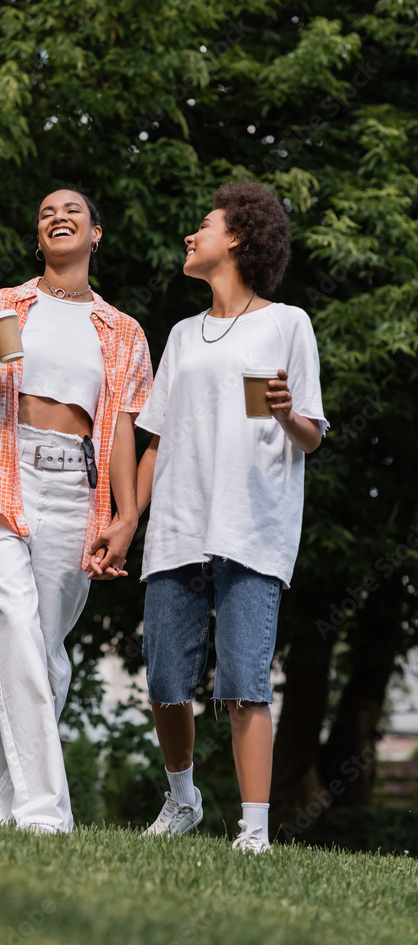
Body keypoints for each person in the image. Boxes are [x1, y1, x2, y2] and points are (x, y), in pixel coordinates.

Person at [0, 189, 152, 834]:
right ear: (38, 238)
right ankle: (43, 811)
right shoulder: (2, 307)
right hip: (0, 471)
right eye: (45, 213)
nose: (58, 218)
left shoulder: (121, 330)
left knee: (46, 651)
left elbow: (121, 430)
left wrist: (126, 515)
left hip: (73, 487)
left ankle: (3, 805)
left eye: (73, 213)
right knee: (13, 625)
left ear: (96, 234)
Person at [133, 180, 328, 853]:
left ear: (237, 238)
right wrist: (127, 520)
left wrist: (284, 413)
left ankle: (253, 832)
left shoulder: (287, 323)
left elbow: (310, 436)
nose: (190, 235)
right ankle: (182, 800)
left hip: (251, 526)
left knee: (244, 683)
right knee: (163, 677)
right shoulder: (182, 335)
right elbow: (155, 439)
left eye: (203, 226)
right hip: (177, 526)